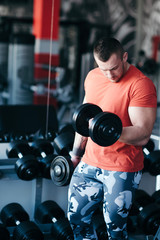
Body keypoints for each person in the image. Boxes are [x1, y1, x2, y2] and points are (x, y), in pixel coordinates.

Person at [67, 37, 157, 240]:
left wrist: (105, 130)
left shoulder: (140, 85)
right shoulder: (92, 77)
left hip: (121, 168)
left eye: (114, 68)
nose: (109, 74)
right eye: (103, 68)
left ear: (125, 57)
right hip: (89, 163)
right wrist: (75, 154)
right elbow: (83, 121)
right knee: (76, 219)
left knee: (115, 230)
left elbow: (142, 134)